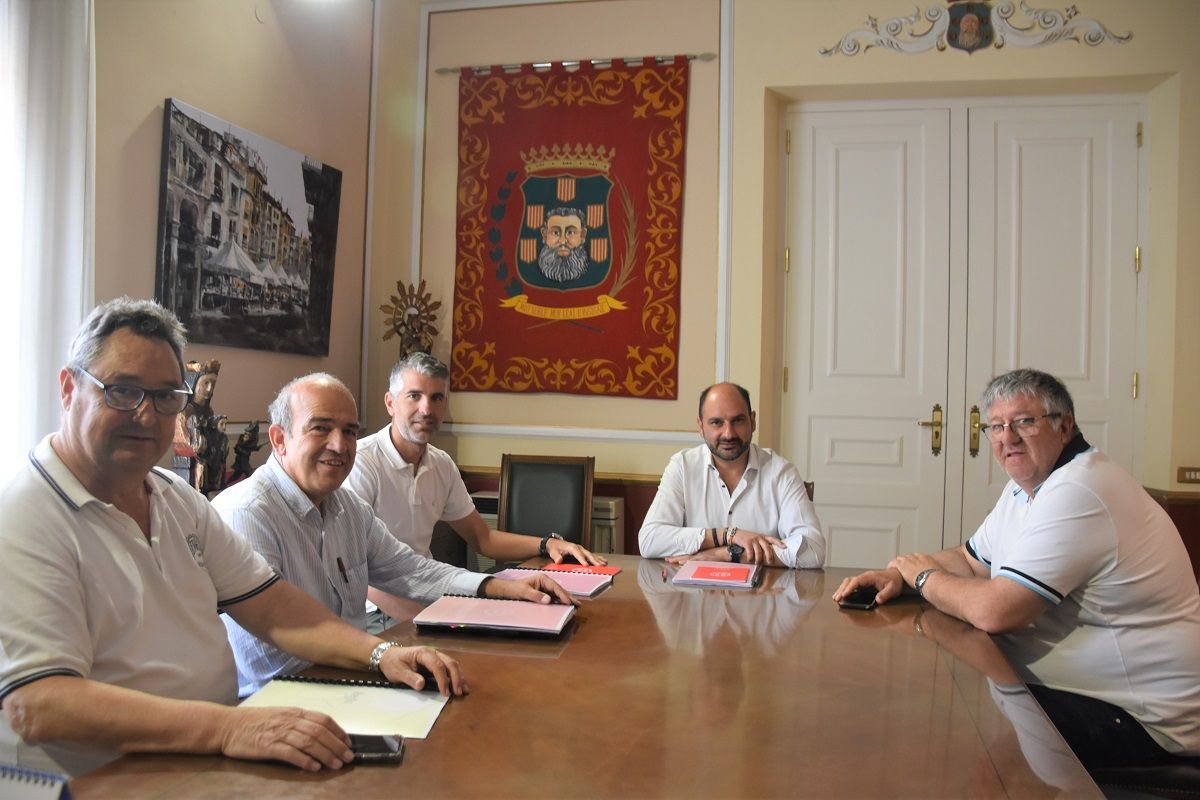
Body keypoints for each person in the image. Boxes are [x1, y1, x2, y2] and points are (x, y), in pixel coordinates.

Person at [0, 298, 465, 778]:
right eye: (122, 391)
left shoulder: (175, 498)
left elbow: (273, 607)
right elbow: (38, 704)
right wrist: (227, 728)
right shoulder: (24, 512)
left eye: (165, 396)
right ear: (68, 388)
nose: (147, 415)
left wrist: (381, 654)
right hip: (107, 780)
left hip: (205, 759)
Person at [833, 368, 1200, 768]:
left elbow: (997, 612)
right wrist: (899, 576)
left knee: (937, 731)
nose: (1007, 437)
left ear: (1064, 425)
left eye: (1024, 421)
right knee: (930, 710)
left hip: (1141, 717)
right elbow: (971, 561)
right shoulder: (1024, 488)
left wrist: (922, 577)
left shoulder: (1080, 489)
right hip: (1074, 693)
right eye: (996, 426)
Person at [217, 372, 575, 696]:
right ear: (280, 439)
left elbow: (413, 570)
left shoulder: (348, 508)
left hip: (349, 682)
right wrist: (381, 654)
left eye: (350, 431)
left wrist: (503, 587)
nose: (339, 445)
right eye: (320, 428)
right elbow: (275, 641)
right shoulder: (247, 513)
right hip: (279, 699)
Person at [346, 352, 606, 624]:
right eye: (414, 396)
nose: (426, 409)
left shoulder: (441, 464)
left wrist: (548, 544)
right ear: (390, 403)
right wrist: (426, 623)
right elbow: (360, 574)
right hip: (374, 614)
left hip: (430, 596)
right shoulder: (361, 463)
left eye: (437, 398)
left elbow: (483, 539)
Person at [638, 382, 825, 568]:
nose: (728, 434)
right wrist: (727, 535)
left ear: (753, 421)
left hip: (763, 587)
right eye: (716, 422)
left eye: (738, 421)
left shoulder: (782, 472)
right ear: (700, 426)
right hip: (694, 586)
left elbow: (813, 550)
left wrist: (727, 554)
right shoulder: (682, 466)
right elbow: (649, 540)